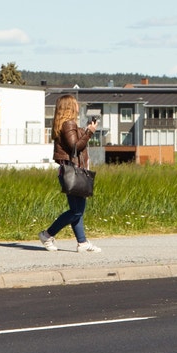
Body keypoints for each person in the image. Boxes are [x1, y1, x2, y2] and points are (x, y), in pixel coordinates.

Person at [40, 95, 100, 252]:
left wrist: (86, 129)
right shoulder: (68, 124)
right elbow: (75, 146)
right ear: (70, 107)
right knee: (77, 210)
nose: (79, 106)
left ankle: (83, 243)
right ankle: (47, 234)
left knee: (78, 209)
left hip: (71, 171)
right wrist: (90, 132)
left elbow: (74, 141)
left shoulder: (67, 125)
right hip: (72, 171)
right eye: (76, 103)